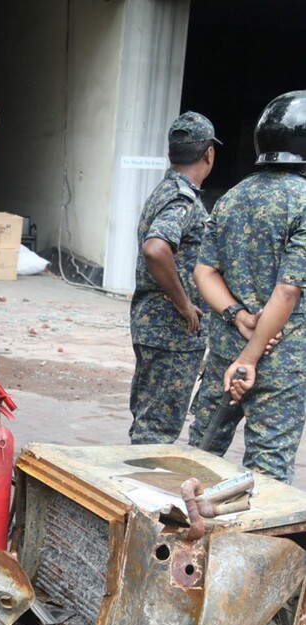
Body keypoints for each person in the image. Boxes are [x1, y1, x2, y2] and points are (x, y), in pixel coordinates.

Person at [189, 90, 306, 484]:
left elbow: (204, 271)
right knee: (267, 474)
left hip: (225, 352)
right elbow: (288, 290)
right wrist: (252, 358)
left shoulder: (232, 197)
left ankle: (176, 537)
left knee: (199, 457)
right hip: (278, 364)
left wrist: (236, 316)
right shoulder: (304, 202)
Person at [129, 111, 220, 444]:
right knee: (157, 430)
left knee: (149, 420)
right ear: (208, 153)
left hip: (155, 327)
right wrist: (184, 304)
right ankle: (139, 493)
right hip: (172, 332)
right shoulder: (182, 199)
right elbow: (156, 248)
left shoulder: (164, 190)